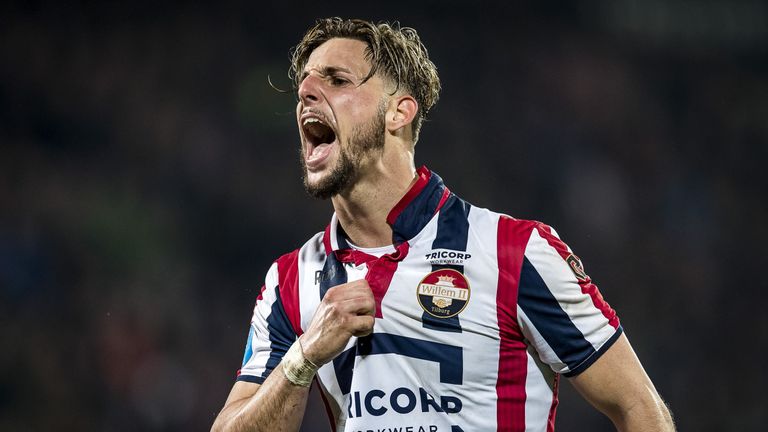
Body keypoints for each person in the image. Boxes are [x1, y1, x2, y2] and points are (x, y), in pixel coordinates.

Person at [211, 17, 675, 432]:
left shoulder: (514, 251)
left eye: (336, 79)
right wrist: (302, 359)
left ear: (399, 111)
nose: (308, 92)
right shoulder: (290, 280)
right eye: (305, 85)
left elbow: (640, 408)